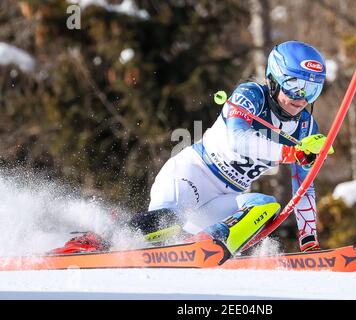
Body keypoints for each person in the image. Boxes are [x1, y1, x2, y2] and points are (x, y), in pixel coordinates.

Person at [54, 41, 333, 256]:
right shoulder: (250, 96)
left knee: (264, 206)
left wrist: (309, 241)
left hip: (225, 196)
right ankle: (96, 240)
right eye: (295, 86)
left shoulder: (306, 127)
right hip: (192, 175)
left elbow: (304, 186)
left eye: (312, 90)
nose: (302, 98)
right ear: (274, 78)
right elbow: (239, 140)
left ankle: (209, 247)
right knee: (168, 223)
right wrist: (289, 153)